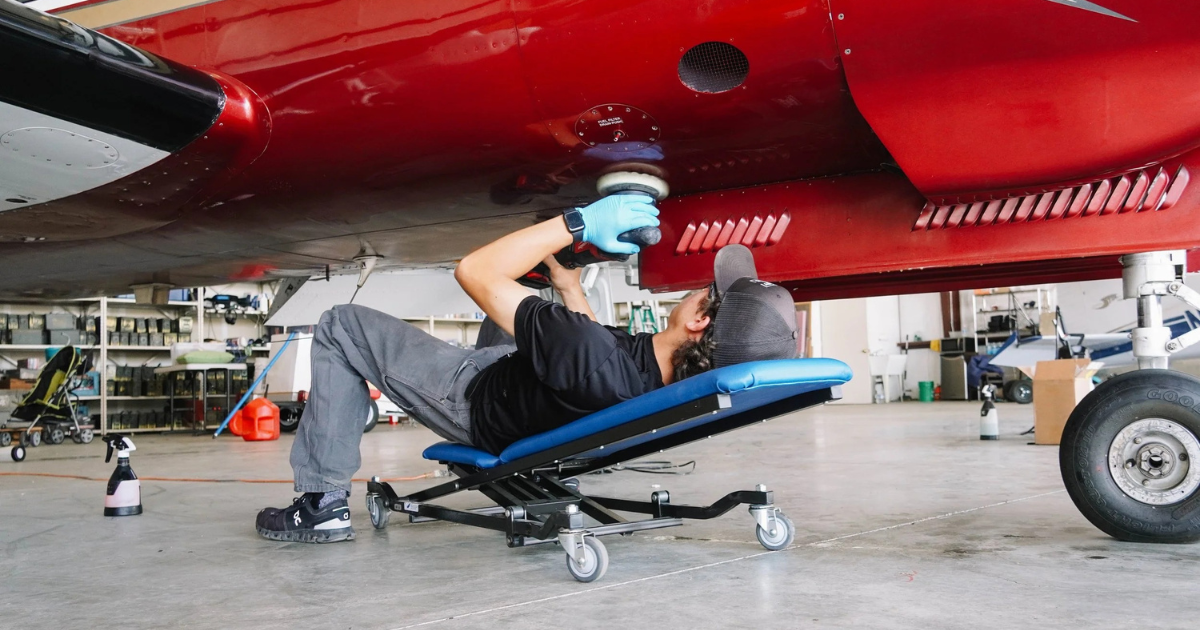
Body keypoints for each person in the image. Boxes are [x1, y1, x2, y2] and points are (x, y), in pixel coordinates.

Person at [255, 194, 801, 543]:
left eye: (704, 292)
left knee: (341, 324)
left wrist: (575, 222)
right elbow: (596, 349)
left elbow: (473, 271)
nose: (693, 290)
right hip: (530, 386)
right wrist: (567, 286)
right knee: (518, 307)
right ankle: (321, 499)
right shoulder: (653, 375)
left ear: (701, 319)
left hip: (468, 395)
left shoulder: (587, 354)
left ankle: (320, 501)